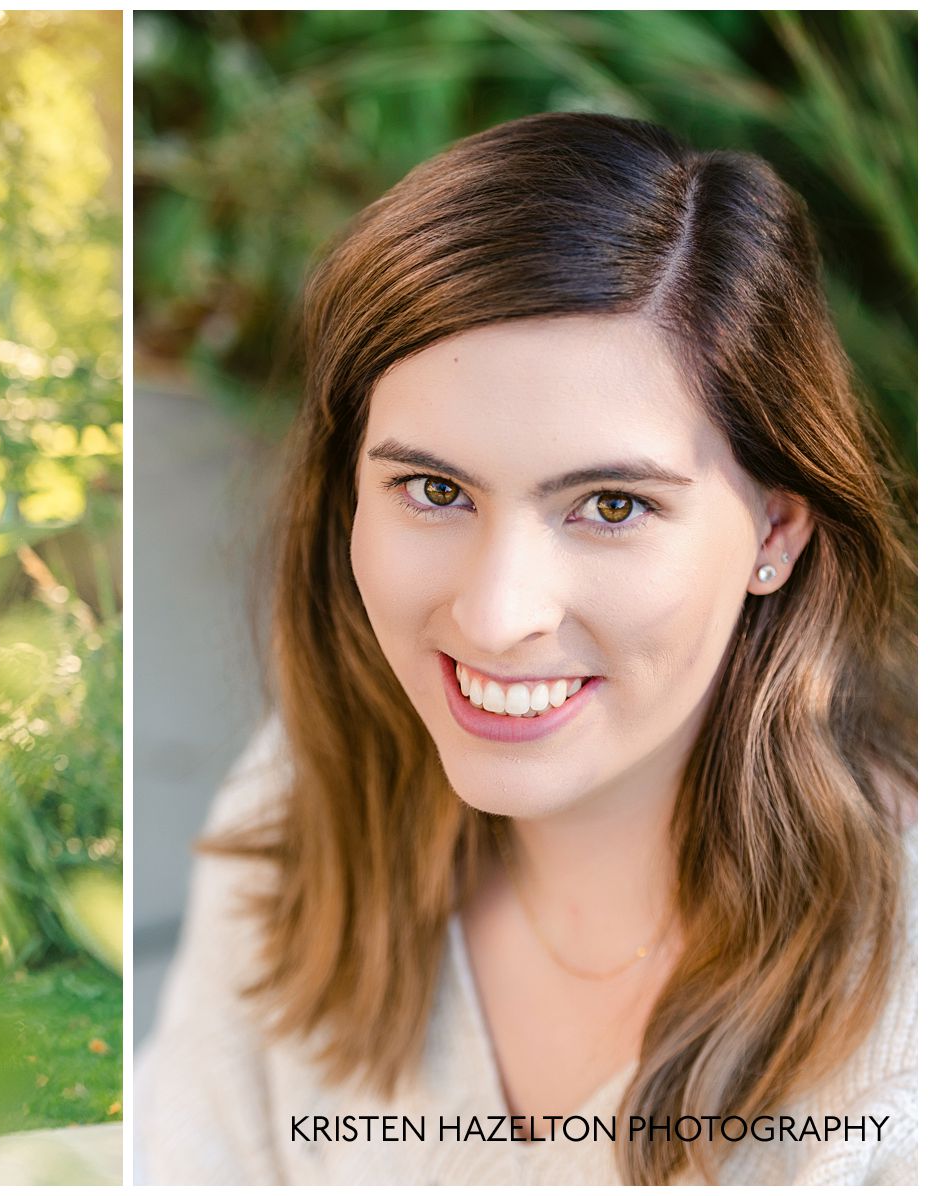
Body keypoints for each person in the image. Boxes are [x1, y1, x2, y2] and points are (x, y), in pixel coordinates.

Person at [137, 113, 916, 1185]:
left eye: (609, 503)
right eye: (435, 489)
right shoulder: (302, 796)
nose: (497, 615)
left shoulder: (895, 1030)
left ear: (773, 532)